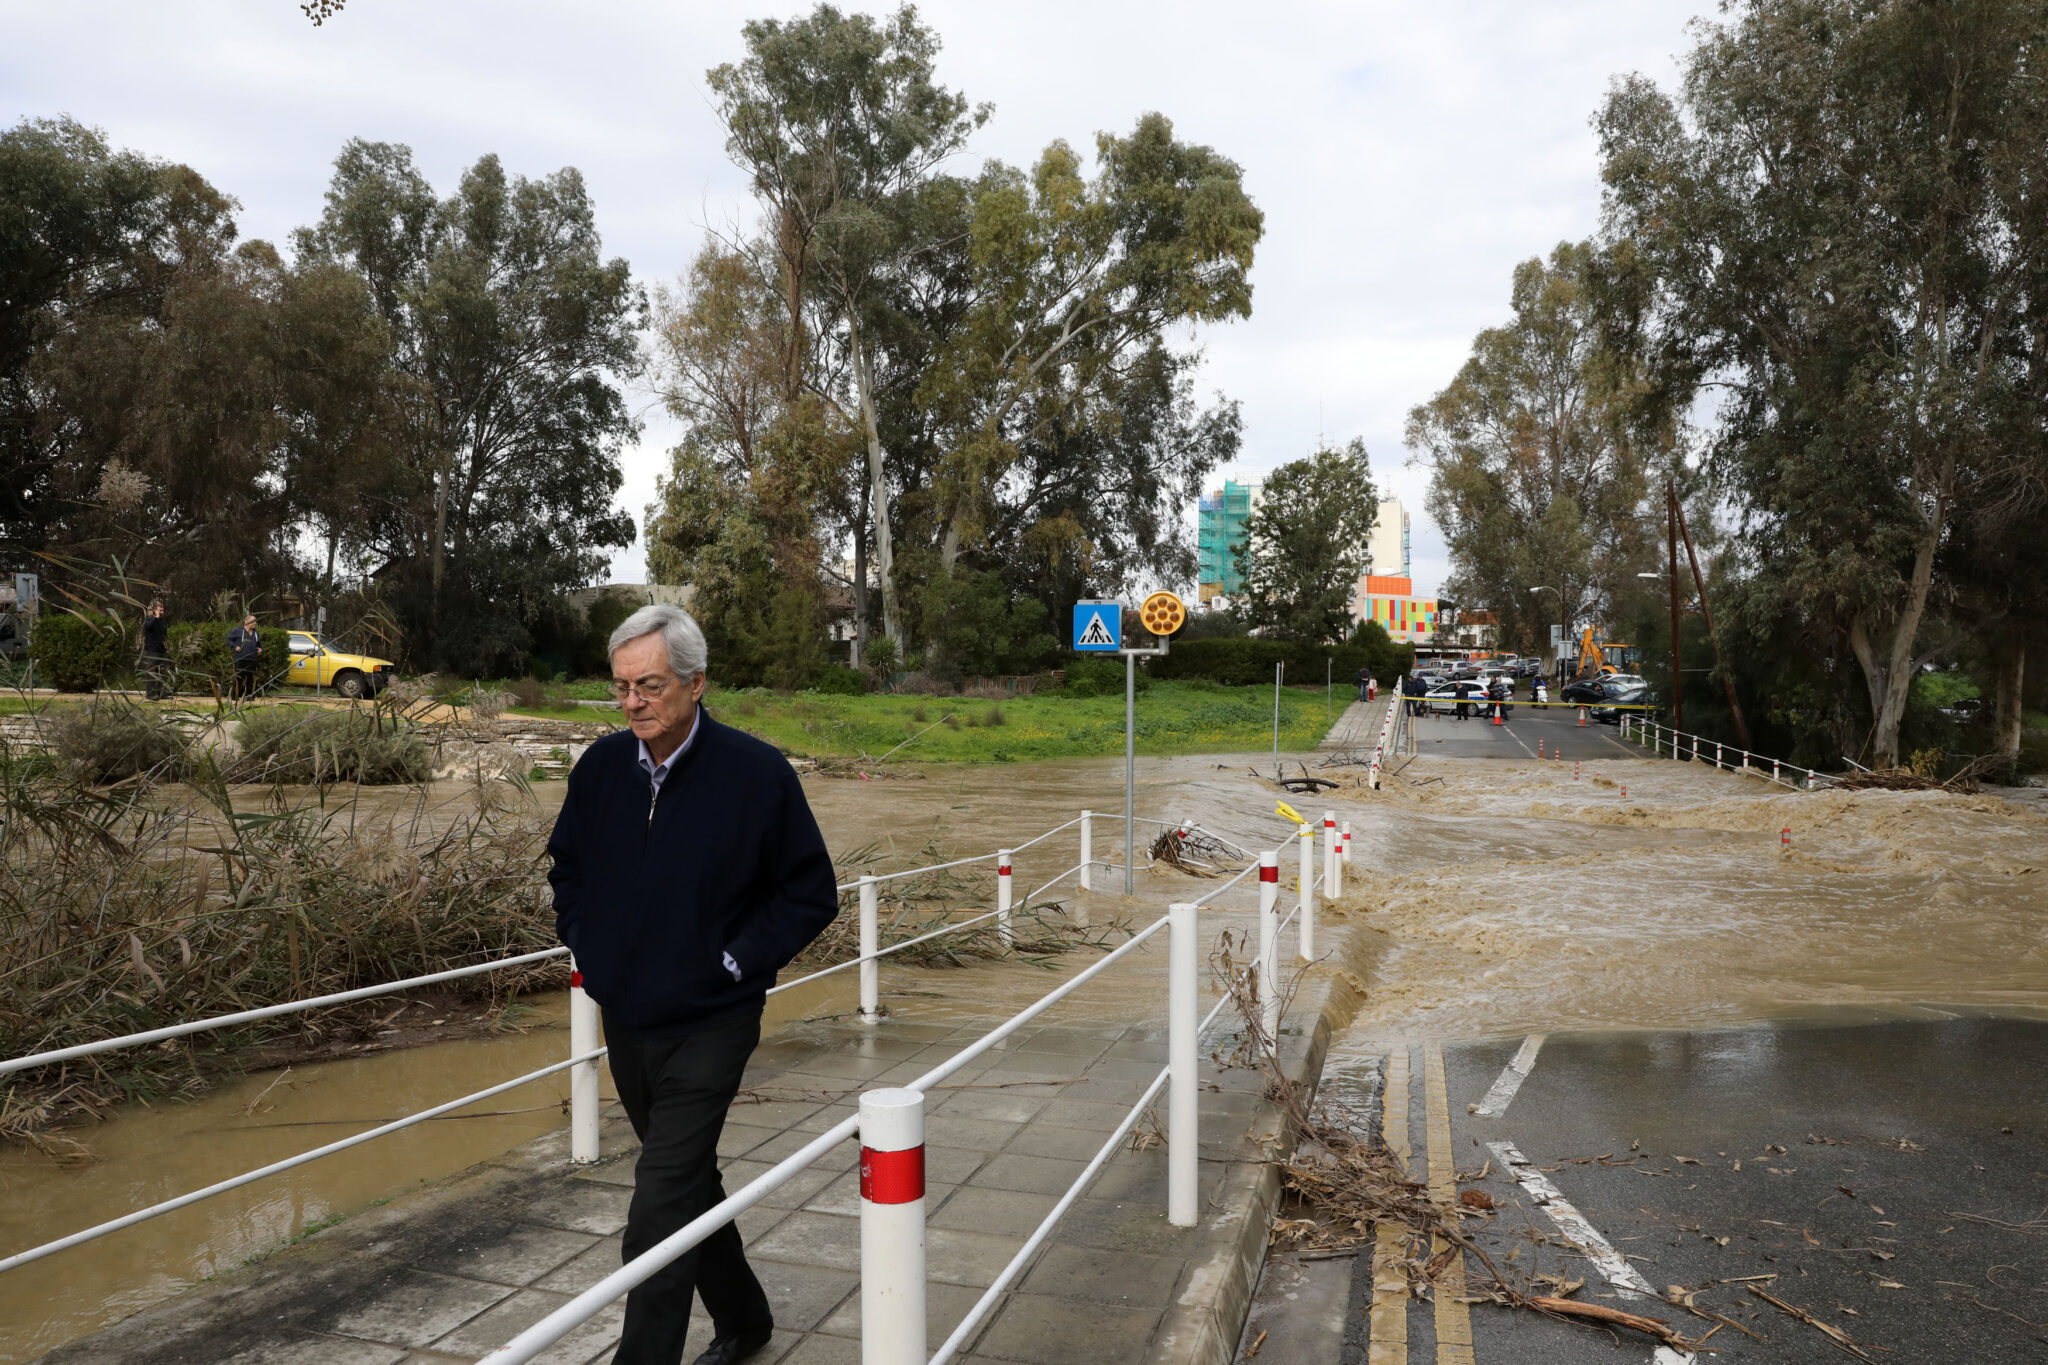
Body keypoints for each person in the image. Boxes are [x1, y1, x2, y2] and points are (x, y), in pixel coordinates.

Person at [548, 603, 838, 1365]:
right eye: (620, 687)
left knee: (657, 1208)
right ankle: (745, 1317)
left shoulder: (757, 775)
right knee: (687, 1181)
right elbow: (567, 870)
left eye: (649, 685)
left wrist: (736, 961)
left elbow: (809, 893)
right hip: (629, 1019)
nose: (633, 702)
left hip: (713, 1018)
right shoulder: (601, 770)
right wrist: (589, 940)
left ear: (695, 682)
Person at [140, 601, 171, 700]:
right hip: (151, 651)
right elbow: (148, 627)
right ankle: (150, 694)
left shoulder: (163, 622)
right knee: (151, 673)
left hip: (162, 651)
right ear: (154, 611)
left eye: (163, 610)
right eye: (159, 610)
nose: (162, 612)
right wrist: (155, 617)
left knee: (163, 672)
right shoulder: (149, 620)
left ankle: (162, 693)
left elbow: (164, 636)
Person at [226, 614, 261, 700]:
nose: (255, 623)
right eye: (253, 621)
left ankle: (249, 697)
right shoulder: (238, 631)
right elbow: (228, 639)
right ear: (246, 622)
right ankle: (235, 696)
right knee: (238, 678)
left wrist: (260, 649)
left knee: (250, 680)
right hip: (240, 659)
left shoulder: (256, 633)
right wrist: (235, 646)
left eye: (255, 621)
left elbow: (260, 645)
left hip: (252, 659)